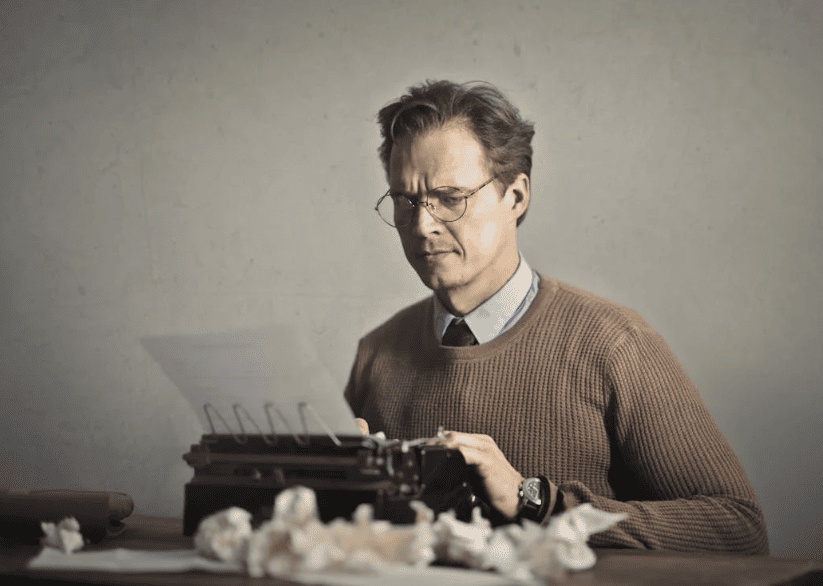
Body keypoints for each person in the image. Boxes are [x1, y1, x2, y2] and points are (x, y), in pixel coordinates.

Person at [344, 80, 770, 554]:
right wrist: (330, 490)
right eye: (406, 200)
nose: (422, 225)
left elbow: (739, 528)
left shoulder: (613, 343)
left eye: (450, 197)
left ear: (517, 196)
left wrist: (538, 501)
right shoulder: (376, 353)